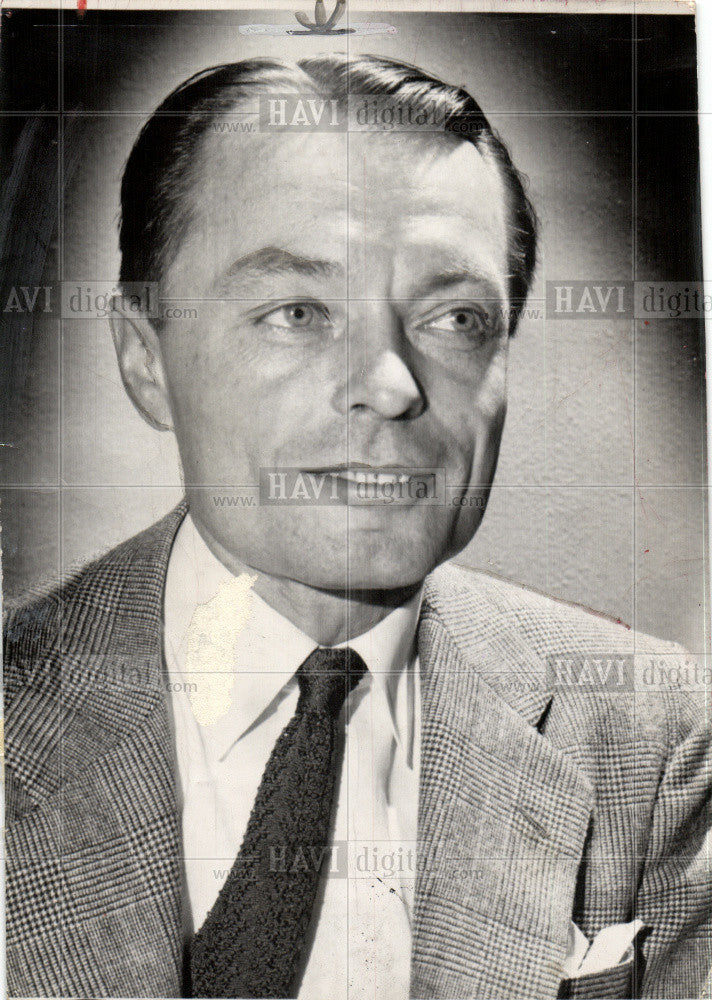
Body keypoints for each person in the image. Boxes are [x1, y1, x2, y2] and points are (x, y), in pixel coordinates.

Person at [4, 54, 710, 1000]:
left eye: (456, 318)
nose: (391, 383)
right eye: (298, 312)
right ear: (142, 360)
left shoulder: (656, 737)